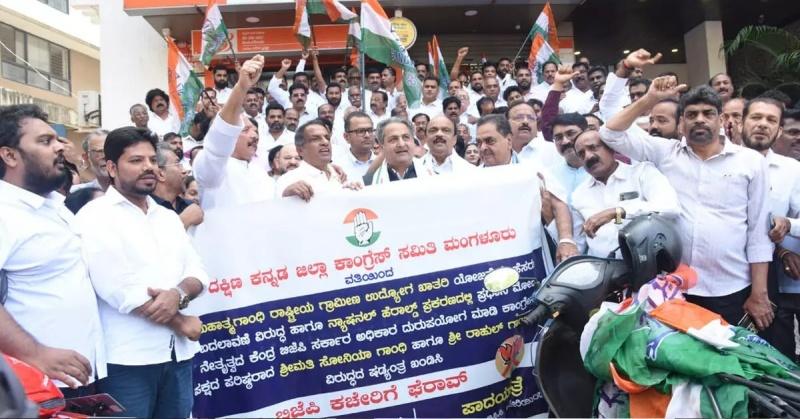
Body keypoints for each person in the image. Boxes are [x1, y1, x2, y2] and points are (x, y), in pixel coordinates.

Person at [601, 70, 774, 329]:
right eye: (692, 115)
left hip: (731, 286)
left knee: (727, 355)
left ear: (721, 119)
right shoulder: (665, 153)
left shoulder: (750, 162)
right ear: (681, 122)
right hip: (675, 287)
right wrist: (649, 99)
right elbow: (610, 134)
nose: (700, 120)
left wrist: (759, 293)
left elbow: (758, 232)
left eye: (708, 113)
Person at [75, 126, 206, 418]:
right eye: (136, 160)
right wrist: (180, 322)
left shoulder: (167, 218)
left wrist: (179, 293)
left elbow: (197, 270)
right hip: (128, 360)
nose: (148, 167)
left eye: (151, 160)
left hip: (178, 355)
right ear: (111, 168)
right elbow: (118, 288)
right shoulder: (95, 217)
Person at [0, 104, 106, 395]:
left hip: (82, 375)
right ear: (10, 155)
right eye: (45, 141)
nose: (60, 147)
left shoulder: (54, 206)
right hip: (36, 384)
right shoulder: (4, 212)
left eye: (56, 139)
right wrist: (35, 353)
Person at [737, 98, 800, 358]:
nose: (763, 124)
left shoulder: (791, 170)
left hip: (778, 281)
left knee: (778, 354)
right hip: (728, 279)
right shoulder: (720, 164)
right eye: (756, 117)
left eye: (771, 120)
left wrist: (788, 225)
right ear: (740, 122)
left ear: (779, 130)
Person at [475, 114, 579, 263]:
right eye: (478, 143)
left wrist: (566, 241)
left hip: (531, 253)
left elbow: (559, 205)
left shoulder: (533, 171)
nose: (483, 148)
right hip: (490, 254)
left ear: (508, 141)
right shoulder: (471, 179)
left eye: (489, 141)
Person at [571, 129, 680, 257]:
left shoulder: (642, 173)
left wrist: (617, 212)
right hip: (600, 267)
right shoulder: (579, 195)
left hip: (646, 264)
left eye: (593, 147)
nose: (588, 156)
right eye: (581, 154)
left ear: (611, 148)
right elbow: (578, 244)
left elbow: (670, 207)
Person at [193, 55, 276, 211]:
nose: (254, 136)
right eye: (245, 130)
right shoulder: (211, 167)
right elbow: (221, 136)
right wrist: (241, 87)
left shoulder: (259, 173)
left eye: (255, 131)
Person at [275, 120, 359, 200]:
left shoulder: (341, 174)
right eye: (316, 139)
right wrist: (287, 195)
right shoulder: (288, 180)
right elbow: (276, 207)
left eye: (327, 138)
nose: (325, 142)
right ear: (300, 150)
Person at [363, 118, 432, 185]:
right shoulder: (370, 182)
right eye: (393, 139)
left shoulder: (432, 172)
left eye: (406, 137)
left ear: (413, 141)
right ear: (382, 145)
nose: (401, 144)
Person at [152, 143, 204, 230]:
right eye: (177, 164)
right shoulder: (146, 208)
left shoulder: (190, 205)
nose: (184, 171)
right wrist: (184, 220)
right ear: (161, 174)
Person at [549, 113, 591, 203]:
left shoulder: (604, 170)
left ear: (586, 133)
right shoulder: (549, 176)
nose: (565, 141)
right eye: (558, 138)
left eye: (571, 133)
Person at [333, 112, 375, 181]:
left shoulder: (386, 163)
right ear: (346, 137)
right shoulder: (337, 167)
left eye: (370, 130)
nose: (367, 135)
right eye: (360, 131)